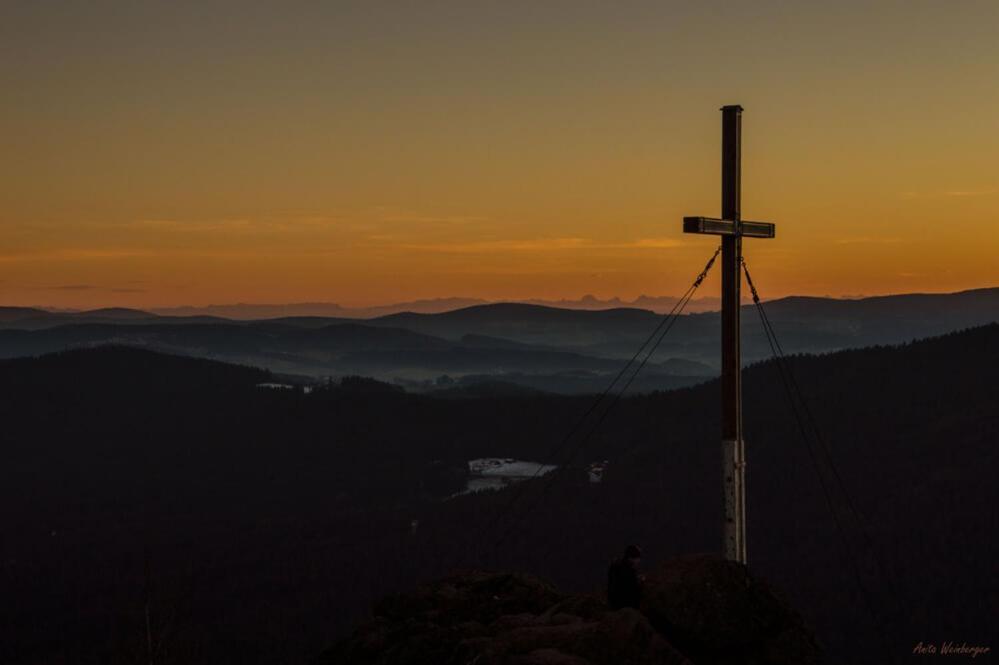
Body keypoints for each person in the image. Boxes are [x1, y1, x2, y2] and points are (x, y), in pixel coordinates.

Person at [607, 544, 643, 609]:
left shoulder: (617, 565)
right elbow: (632, 588)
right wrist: (640, 582)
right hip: (624, 604)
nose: (639, 561)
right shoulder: (628, 570)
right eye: (638, 558)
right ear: (632, 558)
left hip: (613, 602)